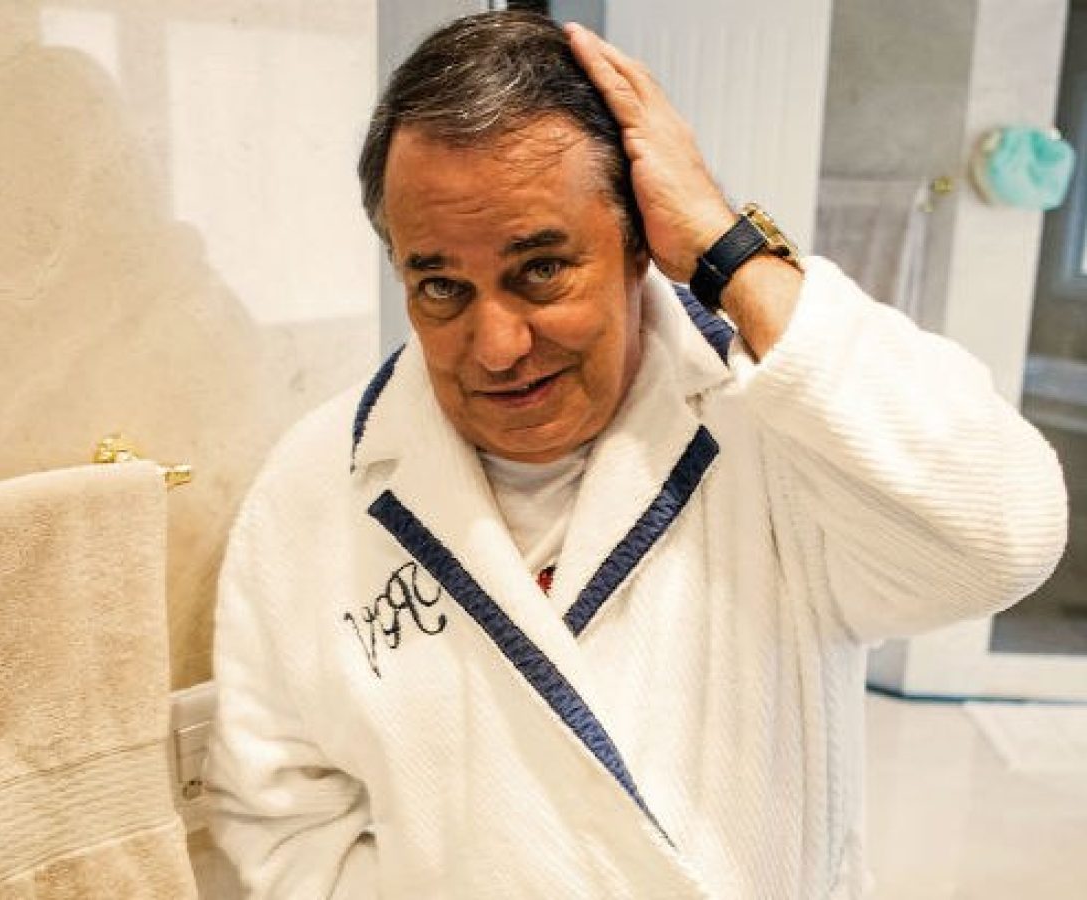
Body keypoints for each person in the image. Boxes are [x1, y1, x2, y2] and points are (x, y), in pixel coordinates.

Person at [206, 11, 1067, 899]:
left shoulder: (776, 429)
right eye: (441, 287)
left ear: (639, 246)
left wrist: (730, 248)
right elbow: (282, 816)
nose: (495, 346)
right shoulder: (317, 486)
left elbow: (1003, 537)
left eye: (541, 269)